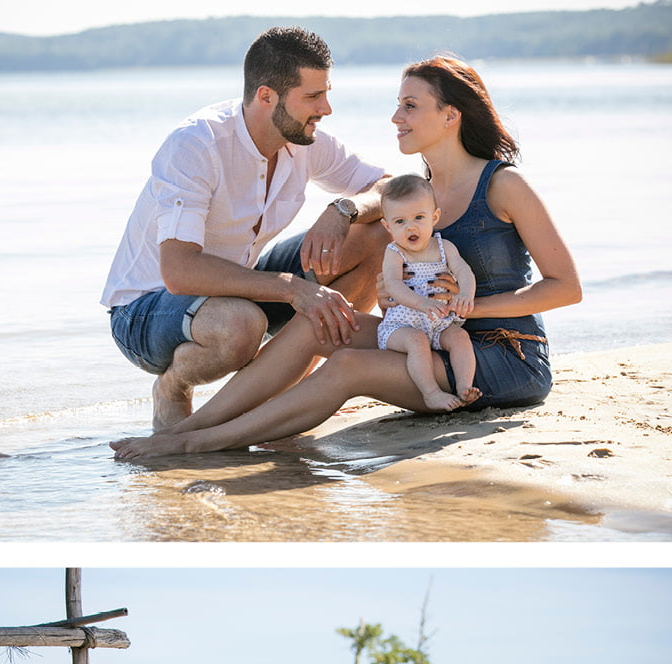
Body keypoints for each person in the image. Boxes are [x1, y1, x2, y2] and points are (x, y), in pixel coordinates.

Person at [112, 54, 581, 461]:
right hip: (427, 341)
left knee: (348, 366)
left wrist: (468, 307)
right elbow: (392, 233)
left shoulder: (503, 185)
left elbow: (566, 288)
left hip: (500, 357)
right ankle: (187, 429)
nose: (395, 117)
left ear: (450, 115)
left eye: (410, 106)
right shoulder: (420, 194)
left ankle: (198, 442)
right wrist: (391, 289)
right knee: (321, 322)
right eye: (398, 104)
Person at [102, 26, 391, 430]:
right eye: (312, 96)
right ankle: (173, 387)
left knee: (377, 235)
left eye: (326, 93)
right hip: (146, 309)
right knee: (240, 326)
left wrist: (343, 209)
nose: (326, 109)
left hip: (240, 287)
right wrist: (293, 289)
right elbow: (179, 271)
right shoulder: (196, 145)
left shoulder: (305, 141)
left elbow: (393, 189)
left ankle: (290, 382)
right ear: (266, 96)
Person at [375, 173, 480, 411]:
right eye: (400, 221)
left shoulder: (444, 247)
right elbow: (393, 284)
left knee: (460, 338)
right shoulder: (394, 252)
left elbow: (464, 271)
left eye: (419, 217)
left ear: (434, 217)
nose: (410, 227)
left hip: (439, 323)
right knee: (417, 340)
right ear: (387, 226)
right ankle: (431, 393)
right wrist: (421, 303)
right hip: (401, 326)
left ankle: (465, 387)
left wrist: (465, 294)